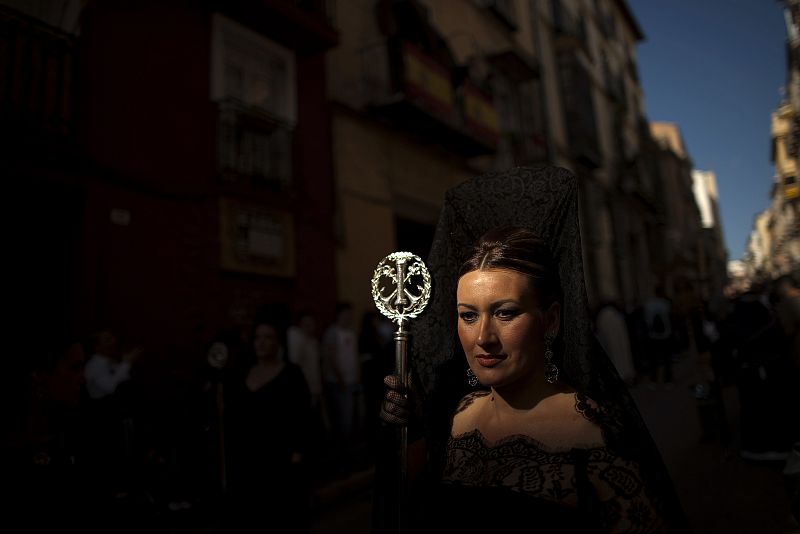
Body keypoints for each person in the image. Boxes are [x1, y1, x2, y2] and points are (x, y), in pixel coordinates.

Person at [375, 166, 688, 533]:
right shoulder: (456, 415)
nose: (483, 337)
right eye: (468, 316)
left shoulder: (596, 439)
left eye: (505, 313)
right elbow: (416, 510)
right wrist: (409, 434)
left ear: (551, 320)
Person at [223, 310, 315, 533]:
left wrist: (298, 452)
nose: (261, 343)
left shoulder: (291, 374)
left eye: (267, 337)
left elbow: (303, 416)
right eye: (257, 337)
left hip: (280, 462)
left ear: (278, 342)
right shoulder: (244, 374)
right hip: (248, 463)